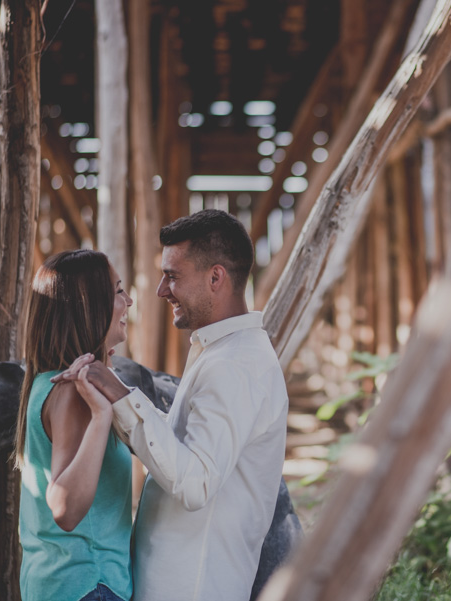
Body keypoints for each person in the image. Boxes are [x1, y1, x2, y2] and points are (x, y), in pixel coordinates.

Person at [55, 209, 289, 601]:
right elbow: (186, 448)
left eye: (173, 276)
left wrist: (122, 397)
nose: (161, 290)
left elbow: (195, 483)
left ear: (215, 278)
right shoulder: (222, 353)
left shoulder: (235, 365)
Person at [15, 249, 135, 601]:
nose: (128, 301)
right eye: (118, 291)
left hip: (57, 584)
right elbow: (65, 510)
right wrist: (101, 416)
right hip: (89, 584)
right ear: (89, 307)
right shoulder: (75, 394)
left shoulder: (44, 384)